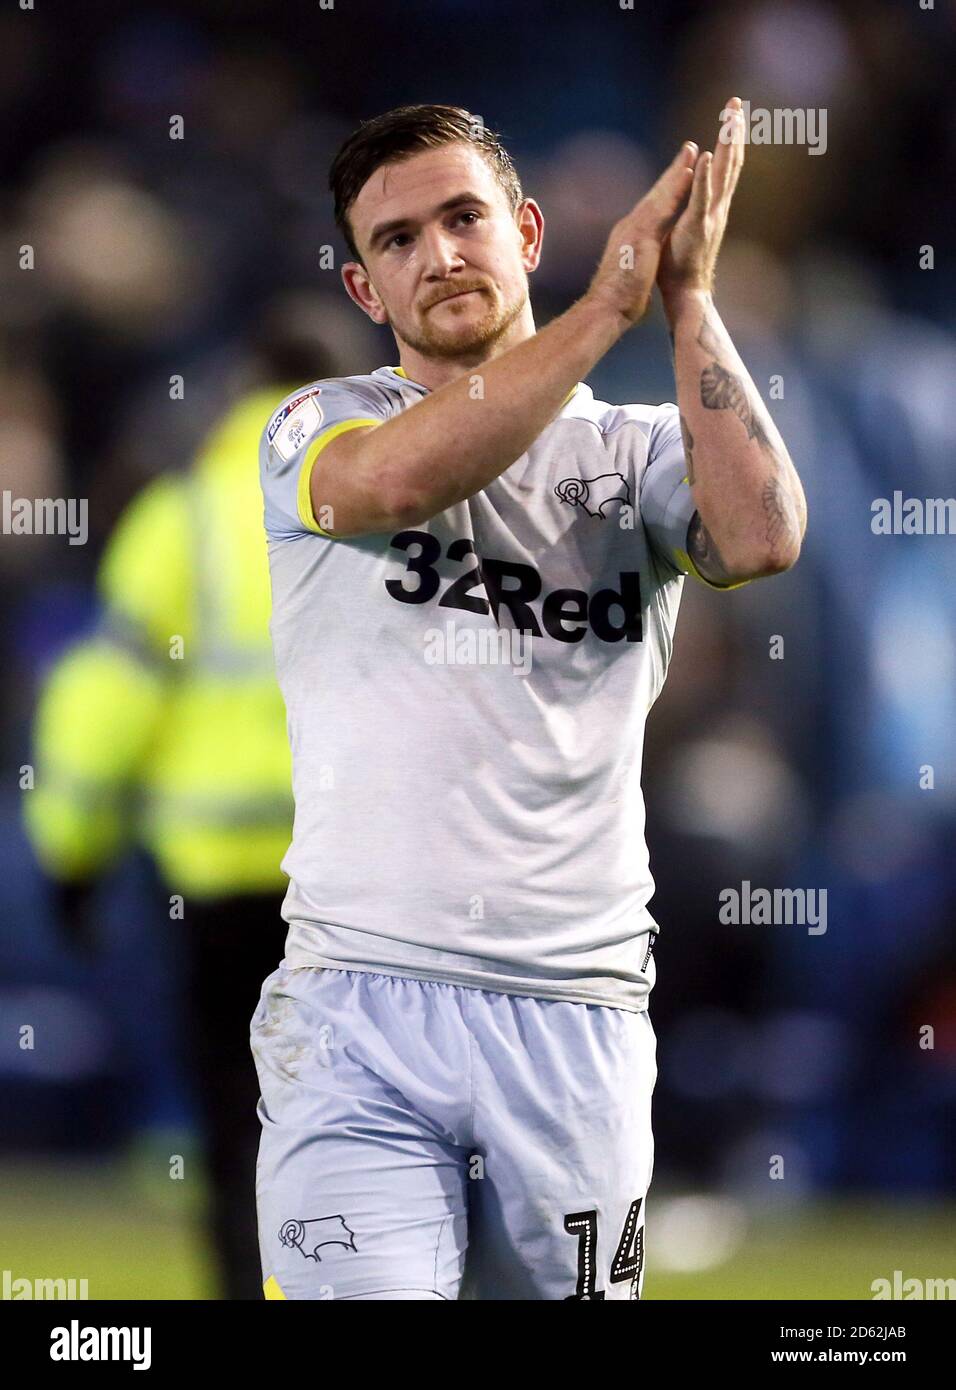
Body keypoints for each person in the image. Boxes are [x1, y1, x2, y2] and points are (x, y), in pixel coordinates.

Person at [251, 99, 806, 1301]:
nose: (438, 255)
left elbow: (761, 536)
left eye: (463, 218)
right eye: (396, 240)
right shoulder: (316, 428)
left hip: (577, 1011)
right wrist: (607, 304)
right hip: (356, 1008)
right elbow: (398, 479)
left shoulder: (640, 450)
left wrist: (686, 301)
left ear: (527, 231)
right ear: (362, 290)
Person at [25, 382, 299, 1299]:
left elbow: (108, 703)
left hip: (217, 877)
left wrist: (71, 855)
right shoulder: (395, 499)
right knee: (375, 1122)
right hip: (362, 877)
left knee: (236, 1120)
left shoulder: (184, 521)